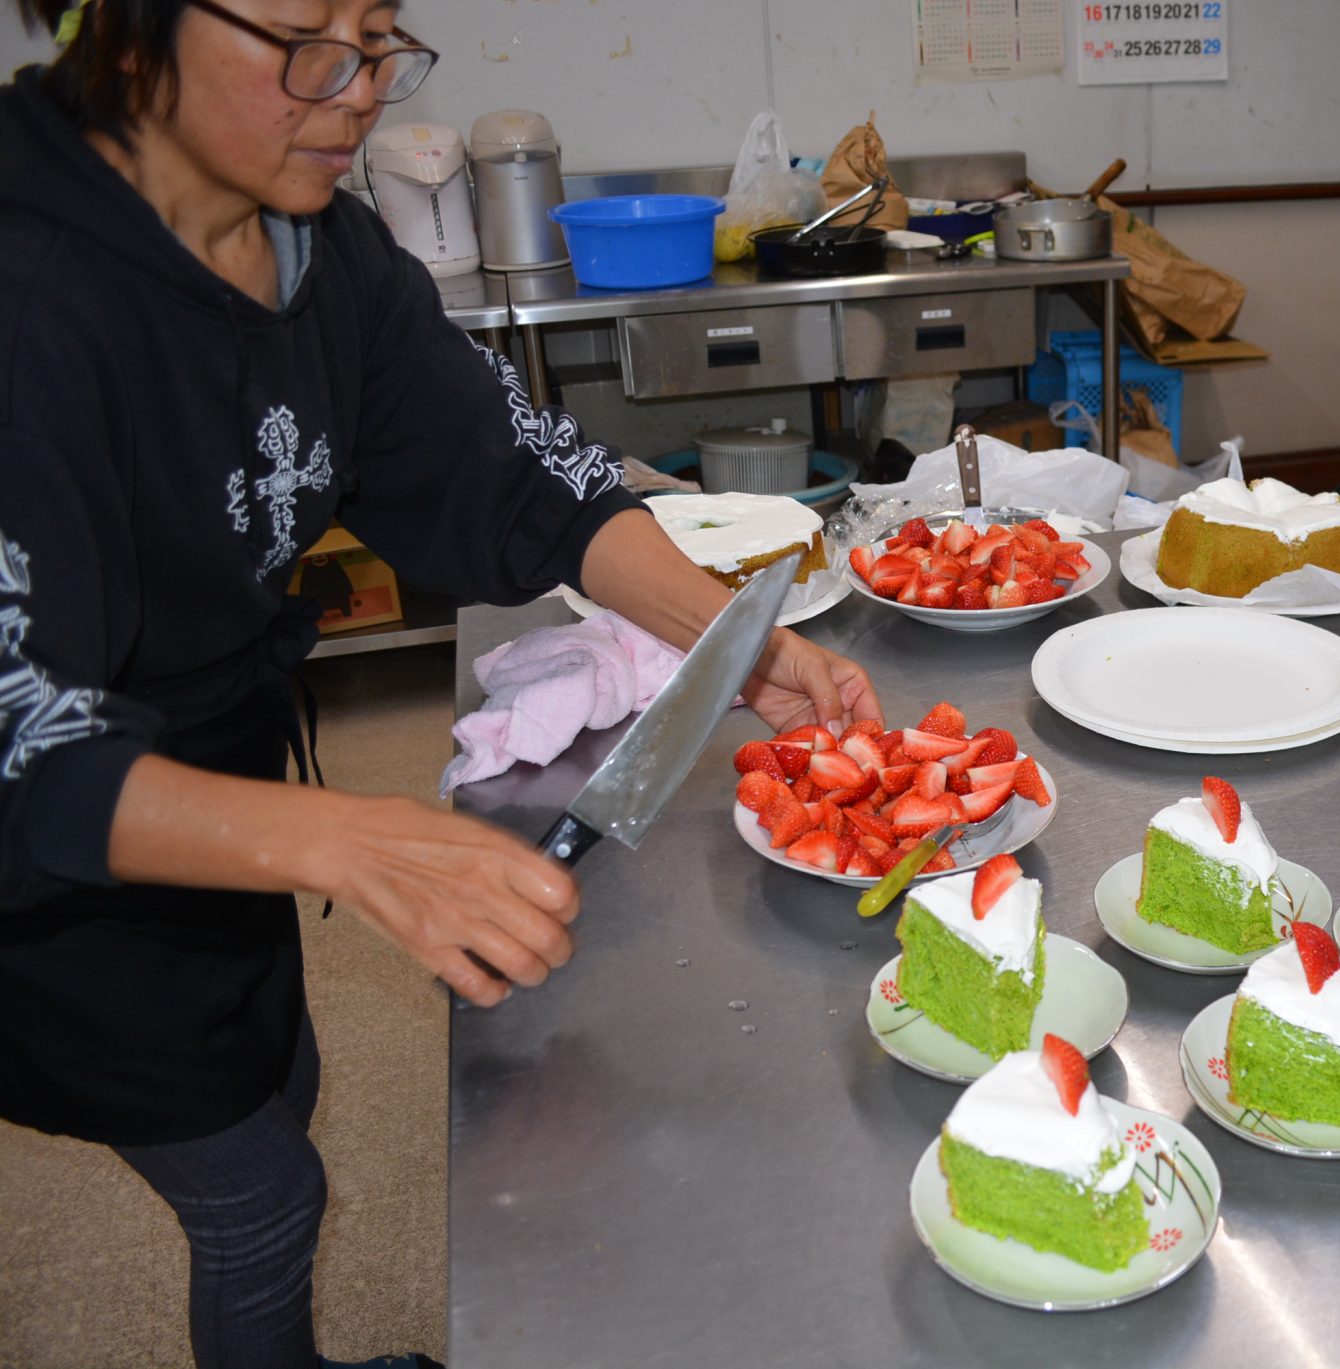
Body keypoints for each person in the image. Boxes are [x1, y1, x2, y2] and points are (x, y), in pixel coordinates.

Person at [0, 2, 882, 1365]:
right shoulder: (32, 292)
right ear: (126, 35)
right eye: (308, 45)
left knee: (273, 1079)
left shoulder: (321, 251)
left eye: (378, 37)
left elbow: (516, 470)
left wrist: (737, 645)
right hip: (71, 868)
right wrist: (359, 838)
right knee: (258, 1193)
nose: (357, 93)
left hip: (220, 784)